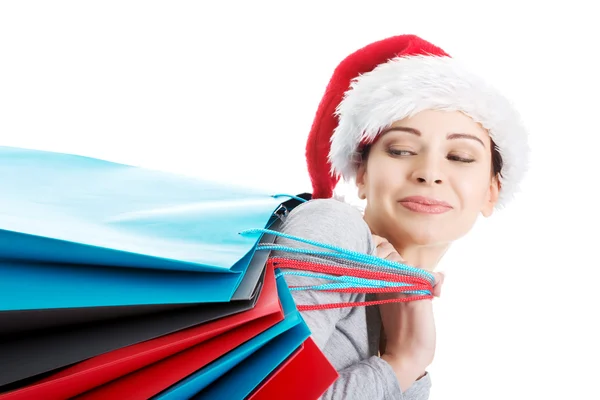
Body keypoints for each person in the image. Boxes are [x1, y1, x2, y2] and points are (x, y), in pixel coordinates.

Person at [269, 35, 529, 399]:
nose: (429, 172)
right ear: (361, 174)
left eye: (460, 157)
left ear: (491, 191)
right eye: (402, 150)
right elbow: (268, 390)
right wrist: (404, 362)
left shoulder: (407, 317)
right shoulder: (336, 229)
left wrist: (409, 367)